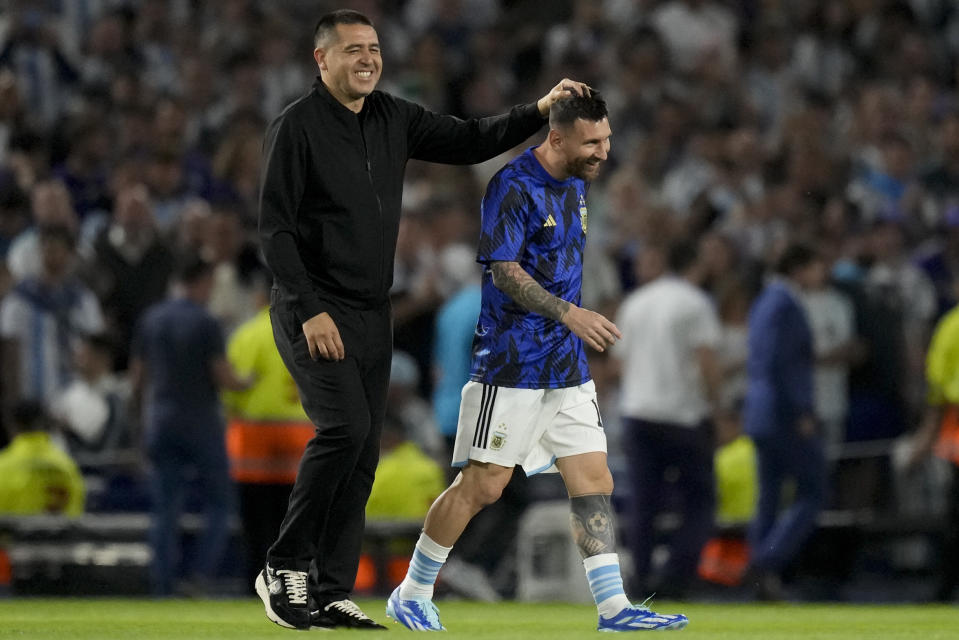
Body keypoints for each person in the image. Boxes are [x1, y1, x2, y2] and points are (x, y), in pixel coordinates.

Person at [256, 8, 592, 631]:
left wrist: (540, 109)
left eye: (374, 48)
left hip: (370, 310)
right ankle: (284, 564)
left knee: (362, 454)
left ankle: (330, 590)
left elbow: (469, 139)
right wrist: (308, 309)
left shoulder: (391, 116)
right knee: (343, 431)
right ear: (321, 59)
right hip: (315, 309)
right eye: (353, 49)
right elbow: (274, 230)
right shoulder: (297, 126)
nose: (367, 59)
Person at [386, 93, 688, 632]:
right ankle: (411, 591)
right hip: (511, 364)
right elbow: (503, 270)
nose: (603, 151)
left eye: (607, 139)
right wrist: (569, 313)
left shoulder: (577, 180)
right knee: (485, 486)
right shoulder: (512, 186)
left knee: (594, 479)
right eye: (592, 142)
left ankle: (614, 608)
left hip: (566, 366)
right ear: (556, 138)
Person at [130, 252, 251, 597]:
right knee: (220, 502)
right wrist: (249, 381)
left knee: (165, 507)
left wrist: (138, 426)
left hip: (160, 420)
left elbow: (138, 380)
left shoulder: (151, 318)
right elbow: (224, 377)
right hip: (199, 423)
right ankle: (199, 574)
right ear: (201, 282)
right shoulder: (205, 322)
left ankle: (163, 583)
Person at [613, 241, 725, 598]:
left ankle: (641, 577)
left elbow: (620, 363)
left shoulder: (635, 303)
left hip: (639, 412)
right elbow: (706, 361)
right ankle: (676, 575)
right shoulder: (695, 303)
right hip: (683, 415)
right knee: (700, 500)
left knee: (644, 502)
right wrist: (716, 408)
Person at [222, 270, 314, 594]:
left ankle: (256, 588)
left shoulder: (248, 334)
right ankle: (292, 589)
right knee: (292, 523)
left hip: (255, 442)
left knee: (256, 525)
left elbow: (231, 390)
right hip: (301, 439)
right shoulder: (309, 329)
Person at [743, 243, 827, 600]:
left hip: (761, 410)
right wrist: (802, 410)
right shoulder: (785, 304)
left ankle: (763, 582)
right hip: (783, 413)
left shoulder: (764, 301)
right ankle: (764, 562)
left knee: (769, 495)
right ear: (800, 267)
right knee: (814, 489)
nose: (821, 275)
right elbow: (783, 363)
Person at [0, 400, 84, 516]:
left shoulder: (4, 466)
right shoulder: (66, 465)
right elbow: (75, 511)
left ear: (12, 425)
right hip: (61, 533)